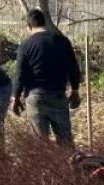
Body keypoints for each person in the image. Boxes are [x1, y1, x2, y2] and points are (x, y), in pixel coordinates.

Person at [10, 9, 82, 148]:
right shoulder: (62, 41)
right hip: (58, 95)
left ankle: (44, 169)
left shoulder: (26, 45)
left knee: (40, 143)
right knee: (65, 141)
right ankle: (68, 168)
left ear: (29, 26)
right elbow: (73, 68)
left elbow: (20, 73)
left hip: (35, 97)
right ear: (45, 23)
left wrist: (15, 97)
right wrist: (75, 90)